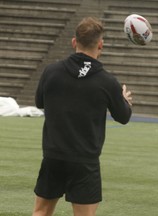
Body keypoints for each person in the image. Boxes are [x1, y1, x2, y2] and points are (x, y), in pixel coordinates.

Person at [32, 17, 132, 216]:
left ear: (74, 42)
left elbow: (39, 103)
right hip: (85, 161)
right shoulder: (107, 81)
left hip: (53, 156)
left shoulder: (51, 71)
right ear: (101, 45)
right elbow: (123, 117)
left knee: (41, 212)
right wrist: (125, 101)